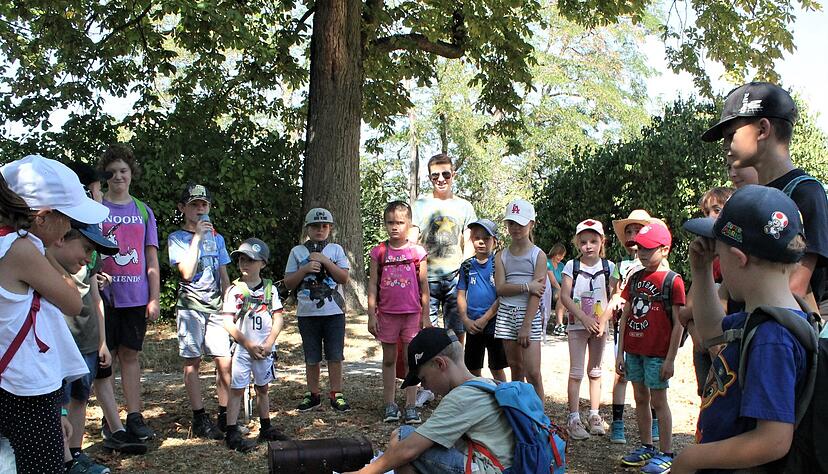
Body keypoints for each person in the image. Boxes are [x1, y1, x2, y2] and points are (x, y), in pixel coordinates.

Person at [674, 185, 810, 472]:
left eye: (720, 257)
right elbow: (712, 332)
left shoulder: (772, 337)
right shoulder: (769, 317)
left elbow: (773, 439)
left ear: (738, 259)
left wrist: (692, 458)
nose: (718, 263)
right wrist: (700, 271)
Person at [0, 155, 108, 474]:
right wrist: (45, 251)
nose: (70, 229)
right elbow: (73, 302)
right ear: (44, 217)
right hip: (27, 390)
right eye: (68, 220)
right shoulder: (22, 250)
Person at [702, 81, 828, 316]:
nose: (726, 147)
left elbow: (795, 288)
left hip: (775, 340)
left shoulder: (806, 192)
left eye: (731, 135)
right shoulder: (748, 198)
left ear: (762, 129)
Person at [349, 327, 516, 474]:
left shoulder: (462, 397)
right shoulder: (487, 384)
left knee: (404, 439)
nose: (425, 386)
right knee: (404, 445)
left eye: (424, 378)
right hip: (505, 466)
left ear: (439, 364)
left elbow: (409, 449)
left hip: (490, 468)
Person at [50, 220, 146, 473]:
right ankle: (64, 461)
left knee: (81, 397)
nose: (89, 257)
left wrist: (102, 342)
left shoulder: (89, 262)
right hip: (62, 343)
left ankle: (75, 452)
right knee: (59, 402)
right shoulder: (44, 263)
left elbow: (96, 299)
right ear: (62, 238)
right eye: (87, 249)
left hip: (88, 339)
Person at [97, 144, 160, 441]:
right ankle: (111, 421)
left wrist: (154, 297)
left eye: (124, 171)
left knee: (130, 355)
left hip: (135, 296)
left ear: (132, 174)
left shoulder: (143, 211)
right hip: (103, 298)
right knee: (104, 359)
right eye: (112, 172)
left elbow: (151, 259)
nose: (119, 176)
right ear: (105, 176)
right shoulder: (96, 208)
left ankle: (135, 416)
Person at [615, 222, 685, 474]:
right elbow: (625, 317)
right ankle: (647, 446)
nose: (641, 253)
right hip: (634, 351)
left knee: (659, 401)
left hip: (657, 354)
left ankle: (666, 452)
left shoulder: (672, 281)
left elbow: (678, 324)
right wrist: (620, 352)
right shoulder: (634, 278)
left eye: (648, 248)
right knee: (640, 398)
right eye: (638, 248)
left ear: (664, 249)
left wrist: (670, 359)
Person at [168, 183, 232, 439]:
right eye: (194, 205)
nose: (200, 209)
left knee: (224, 361)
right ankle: (199, 416)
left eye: (203, 204)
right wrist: (196, 238)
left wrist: (230, 302)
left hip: (216, 306)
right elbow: (185, 273)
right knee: (192, 362)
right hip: (191, 307)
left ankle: (226, 413)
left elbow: (223, 272)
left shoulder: (218, 238)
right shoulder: (177, 238)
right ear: (183, 208)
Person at [220, 238, 288, 452]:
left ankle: (265, 427)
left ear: (263, 264)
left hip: (265, 349)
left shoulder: (270, 289)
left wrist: (269, 343)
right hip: (243, 349)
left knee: (263, 387)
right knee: (237, 388)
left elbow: (278, 318)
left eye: (251, 260)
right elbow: (227, 322)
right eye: (241, 259)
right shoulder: (234, 290)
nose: (244, 264)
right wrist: (247, 344)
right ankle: (231, 431)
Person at [367, 201, 429, 424]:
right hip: (387, 314)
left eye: (400, 222)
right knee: (389, 359)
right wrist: (371, 314)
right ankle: (390, 404)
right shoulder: (379, 252)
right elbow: (372, 284)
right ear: (385, 224)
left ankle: (411, 405)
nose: (395, 227)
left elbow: (424, 287)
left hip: (412, 314)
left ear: (409, 224)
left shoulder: (417, 252)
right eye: (390, 222)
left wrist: (425, 315)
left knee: (412, 359)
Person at [284, 207, 351, 412]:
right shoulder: (297, 252)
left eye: (324, 226)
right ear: (308, 228)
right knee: (311, 355)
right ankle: (312, 393)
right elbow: (288, 283)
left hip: (334, 313)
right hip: (307, 313)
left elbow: (344, 277)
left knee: (335, 354)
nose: (320, 230)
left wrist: (325, 261)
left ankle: (336, 393)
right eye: (315, 226)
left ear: (330, 228)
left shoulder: (336, 250)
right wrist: (304, 269)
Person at [409, 153, 477, 344]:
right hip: (426, 279)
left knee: (456, 333)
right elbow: (412, 241)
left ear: (453, 175)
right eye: (435, 175)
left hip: (455, 278)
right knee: (426, 332)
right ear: (429, 177)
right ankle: (430, 373)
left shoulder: (465, 206)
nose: (441, 179)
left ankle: (456, 372)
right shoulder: (420, 205)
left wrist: (464, 272)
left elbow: (470, 241)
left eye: (445, 174)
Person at [606, 209, 659, 445]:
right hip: (627, 325)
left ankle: (655, 419)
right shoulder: (622, 265)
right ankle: (618, 423)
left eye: (638, 229)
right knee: (622, 373)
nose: (633, 234)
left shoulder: (658, 261)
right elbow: (615, 292)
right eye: (629, 230)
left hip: (652, 327)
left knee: (652, 374)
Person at [560, 219, 615, 440]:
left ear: (602, 242)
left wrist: (602, 321)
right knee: (576, 372)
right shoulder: (571, 266)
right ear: (577, 243)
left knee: (595, 371)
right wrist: (583, 317)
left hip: (599, 326)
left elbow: (614, 296)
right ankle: (573, 417)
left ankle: (594, 415)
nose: (589, 246)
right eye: (583, 242)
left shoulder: (609, 267)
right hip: (577, 324)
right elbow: (564, 295)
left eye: (593, 241)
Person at [494, 199, 546, 399]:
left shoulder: (538, 255)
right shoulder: (501, 256)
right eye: (511, 223)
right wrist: (526, 286)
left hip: (528, 316)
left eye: (521, 223)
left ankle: (540, 419)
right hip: (506, 315)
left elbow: (537, 292)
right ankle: (520, 414)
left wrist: (526, 325)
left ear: (531, 224)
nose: (516, 228)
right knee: (516, 368)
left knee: (533, 372)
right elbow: (500, 288)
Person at [458, 219, 507, 382]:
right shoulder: (466, 266)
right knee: (472, 368)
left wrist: (486, 318)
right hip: (473, 325)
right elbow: (461, 294)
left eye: (486, 238)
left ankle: (504, 399)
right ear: (471, 239)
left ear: (495, 241)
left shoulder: (499, 264)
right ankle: (477, 399)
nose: (481, 241)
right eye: (477, 237)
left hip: (495, 324)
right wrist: (465, 319)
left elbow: (503, 295)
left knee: (497, 367)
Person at [546, 243, 566, 336]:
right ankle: (559, 325)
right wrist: (563, 292)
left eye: (562, 256)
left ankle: (563, 325)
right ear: (555, 252)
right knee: (562, 296)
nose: (561, 257)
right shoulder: (548, 263)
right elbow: (553, 281)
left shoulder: (562, 265)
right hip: (549, 289)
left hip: (559, 288)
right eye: (559, 255)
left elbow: (565, 280)